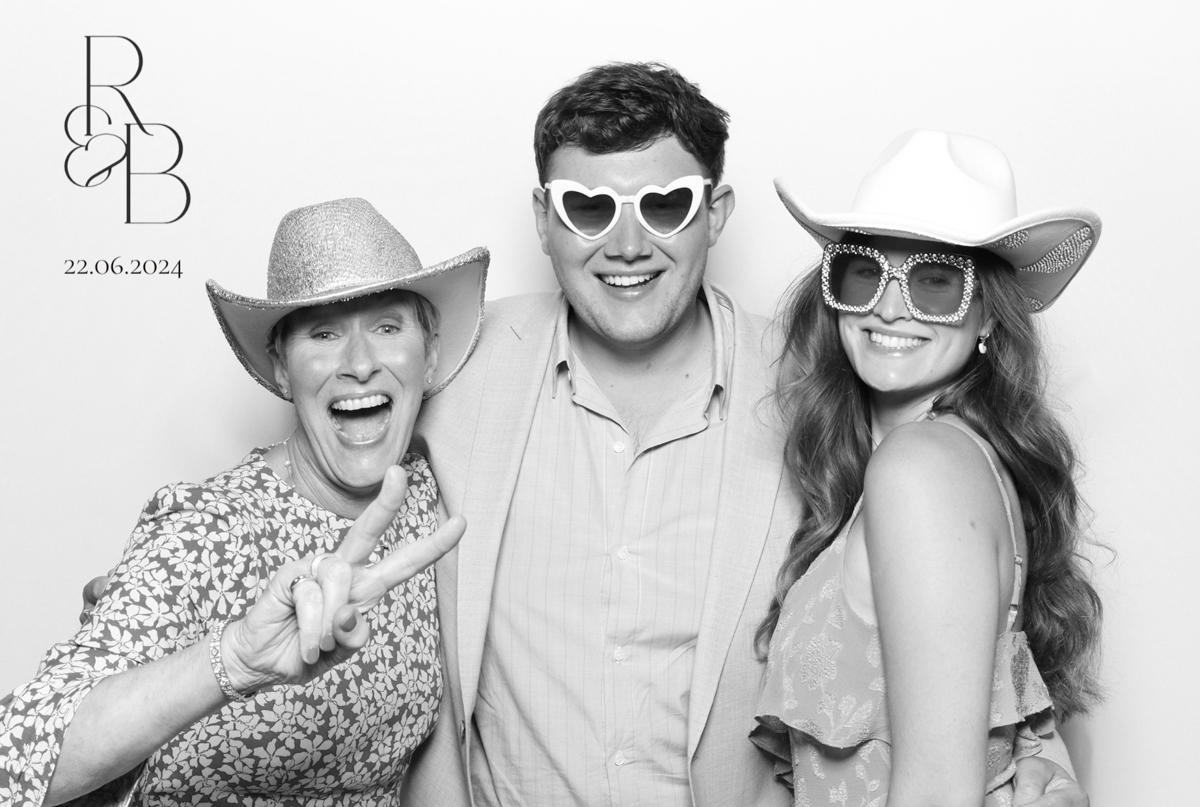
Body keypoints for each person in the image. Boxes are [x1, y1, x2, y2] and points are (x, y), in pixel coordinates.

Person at [399, 67, 1088, 806]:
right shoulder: (460, 367)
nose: (627, 244)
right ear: (542, 219)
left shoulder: (816, 400)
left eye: (665, 205)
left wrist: (1042, 765)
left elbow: (958, 659)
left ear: (717, 212)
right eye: (587, 208)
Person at [0, 197, 486, 805]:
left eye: (387, 327)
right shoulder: (205, 530)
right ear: (281, 369)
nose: (360, 364)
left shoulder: (427, 504)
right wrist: (231, 660)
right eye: (324, 332)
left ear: (429, 354)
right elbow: (15, 760)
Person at [751, 130, 1104, 805]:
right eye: (863, 270)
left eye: (935, 281)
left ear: (987, 318)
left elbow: (938, 790)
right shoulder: (938, 462)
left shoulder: (920, 468)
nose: (889, 305)